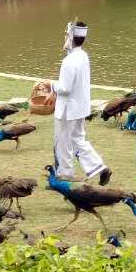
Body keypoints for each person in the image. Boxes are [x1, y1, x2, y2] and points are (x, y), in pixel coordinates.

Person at [44, 20, 109, 183]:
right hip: (80, 107)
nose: (65, 38)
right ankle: (99, 167)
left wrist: (51, 85)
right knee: (78, 139)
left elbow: (65, 88)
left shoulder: (69, 61)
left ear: (71, 37)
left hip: (68, 108)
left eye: (67, 35)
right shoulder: (83, 56)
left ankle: (64, 173)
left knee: (63, 142)